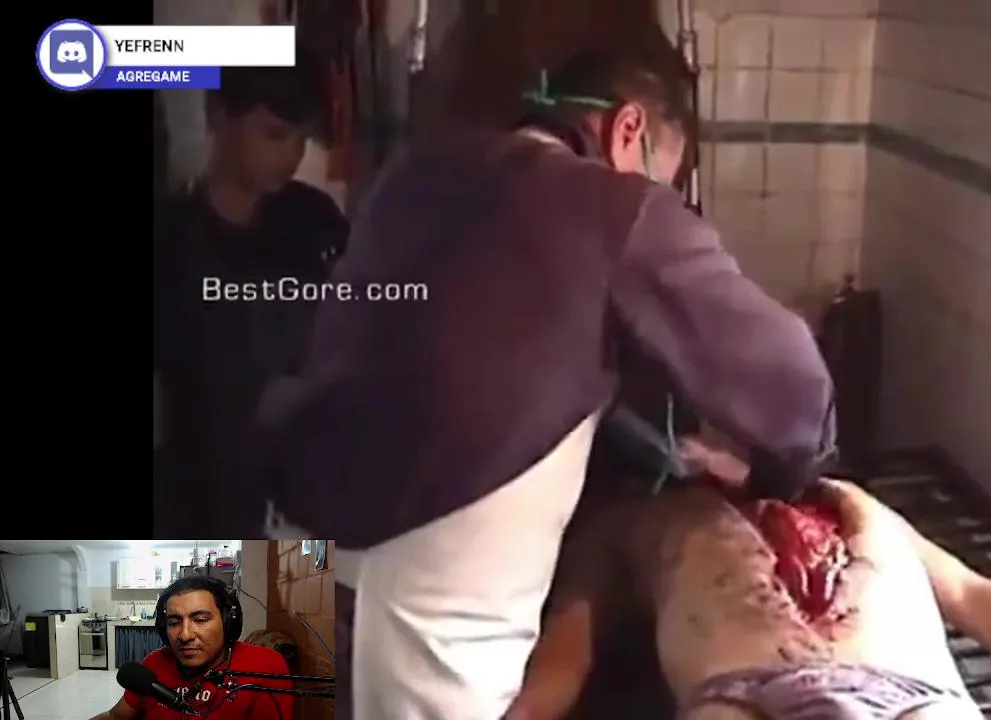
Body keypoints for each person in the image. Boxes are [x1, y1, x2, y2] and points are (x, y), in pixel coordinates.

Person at [260, 36, 836, 720]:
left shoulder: (418, 171)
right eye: (664, 175)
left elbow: (466, 348)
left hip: (289, 541)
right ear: (628, 128)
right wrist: (780, 475)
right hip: (429, 603)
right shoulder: (618, 208)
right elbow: (793, 387)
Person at [506, 461, 991, 720]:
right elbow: (564, 657)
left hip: (910, 694)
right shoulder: (636, 518)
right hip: (744, 695)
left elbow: (975, 595)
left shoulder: (854, 502)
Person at [153, 57, 349, 538]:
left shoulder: (315, 221)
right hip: (196, 512)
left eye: (303, 138)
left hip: (299, 505)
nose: (293, 155)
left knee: (296, 594)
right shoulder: (171, 241)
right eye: (276, 134)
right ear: (219, 117)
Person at [90, 576, 294, 720]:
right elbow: (115, 716)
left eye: (200, 620)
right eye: (174, 622)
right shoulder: (155, 662)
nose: (185, 635)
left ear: (227, 623)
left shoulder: (266, 666)